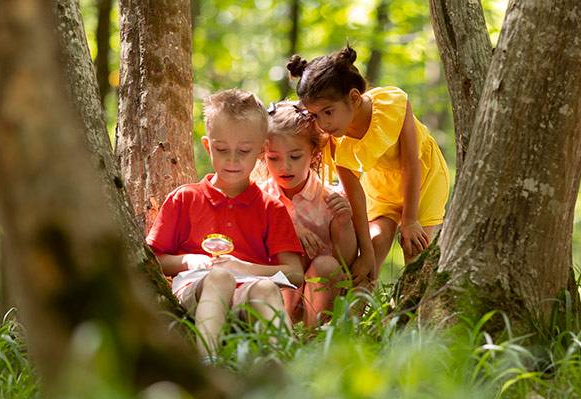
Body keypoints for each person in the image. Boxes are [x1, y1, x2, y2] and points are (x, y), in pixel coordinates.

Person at [146, 89, 304, 357]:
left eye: (244, 151)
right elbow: (153, 259)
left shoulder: (270, 207)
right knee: (219, 277)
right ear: (208, 146)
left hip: (246, 294)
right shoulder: (185, 198)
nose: (232, 160)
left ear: (261, 151)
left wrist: (242, 267)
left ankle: (287, 369)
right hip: (198, 289)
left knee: (265, 289)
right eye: (222, 149)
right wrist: (190, 261)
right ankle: (209, 364)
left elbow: (295, 273)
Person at [286, 46, 450, 285]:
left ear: (353, 98)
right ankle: (355, 317)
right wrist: (368, 255)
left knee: (415, 249)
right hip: (381, 189)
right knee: (372, 249)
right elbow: (355, 195)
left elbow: (411, 164)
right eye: (316, 116)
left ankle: (413, 315)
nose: (323, 124)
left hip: (423, 180)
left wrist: (411, 219)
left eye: (328, 112)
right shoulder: (334, 140)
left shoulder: (393, 104)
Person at [258, 100, 357, 327]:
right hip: (278, 295)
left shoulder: (328, 198)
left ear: (313, 154)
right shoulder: (259, 197)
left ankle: (313, 342)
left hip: (321, 293)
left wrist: (344, 223)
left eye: (295, 156)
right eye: (274, 158)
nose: (285, 166)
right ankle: (282, 335)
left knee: (327, 265)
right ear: (263, 154)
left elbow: (347, 260)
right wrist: (288, 229)